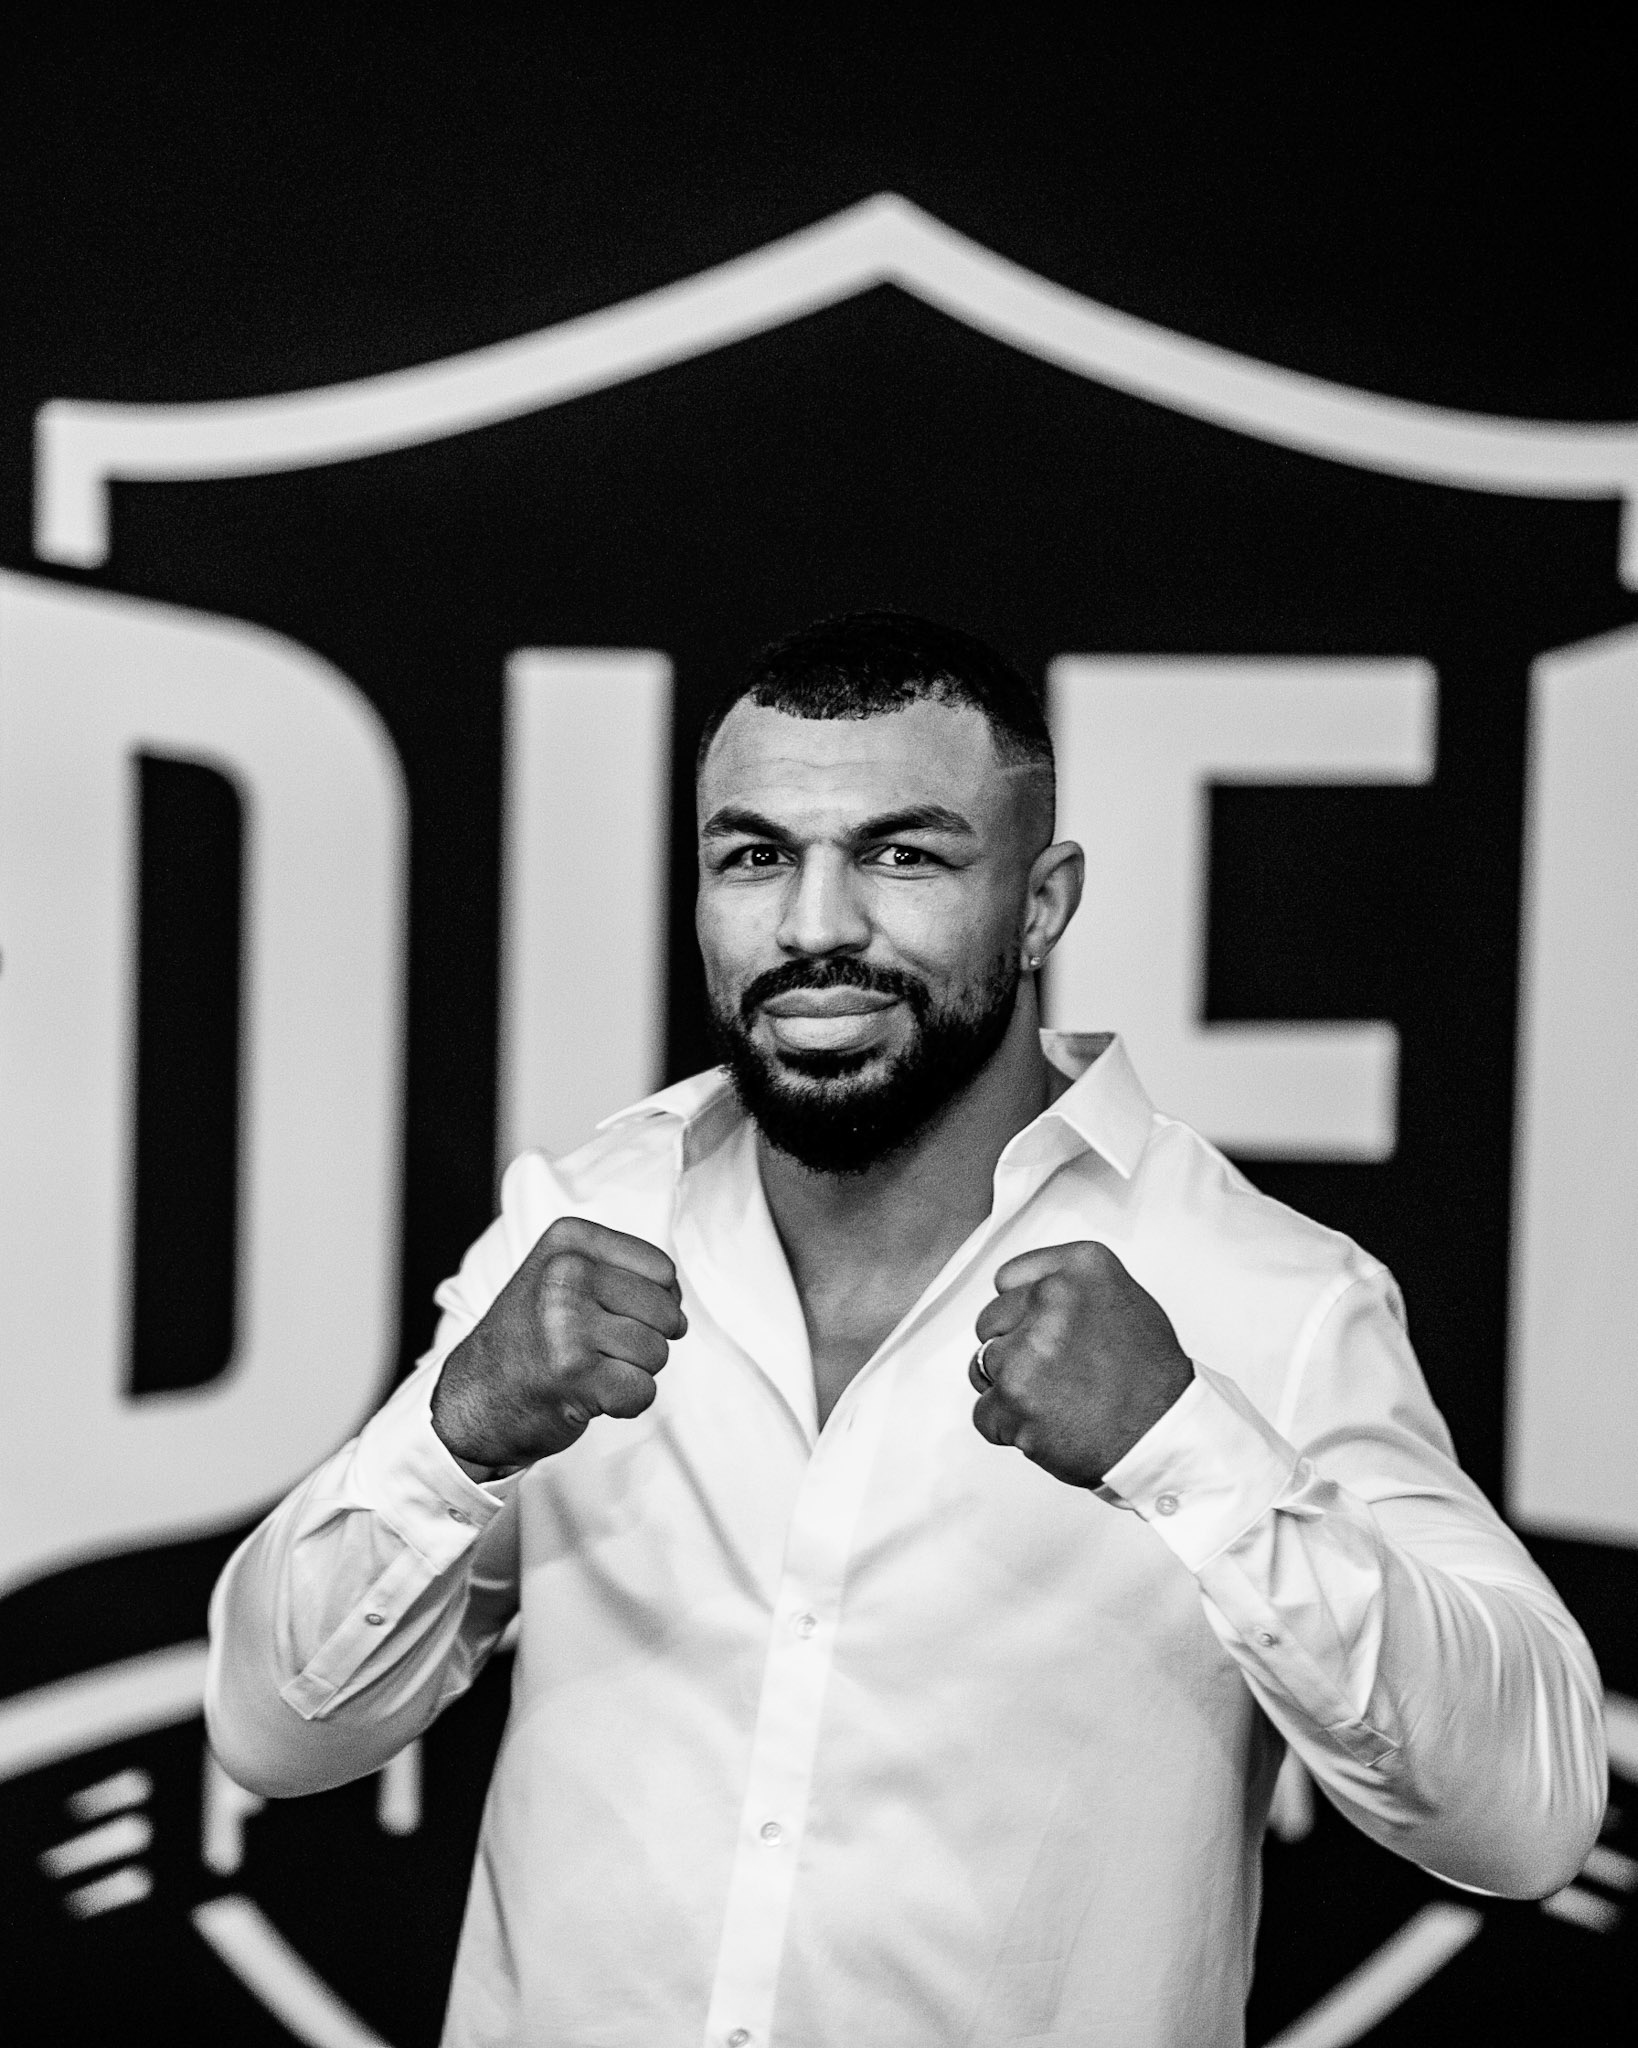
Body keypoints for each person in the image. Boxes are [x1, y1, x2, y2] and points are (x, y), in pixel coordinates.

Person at [207, 610, 1606, 2048]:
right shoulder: (579, 1220)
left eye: (902, 856)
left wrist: (1189, 1450)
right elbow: (273, 1730)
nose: (814, 926)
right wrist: (455, 1435)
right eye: (755, 857)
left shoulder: (1266, 1293)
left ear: (1043, 904)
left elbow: (1534, 1817)